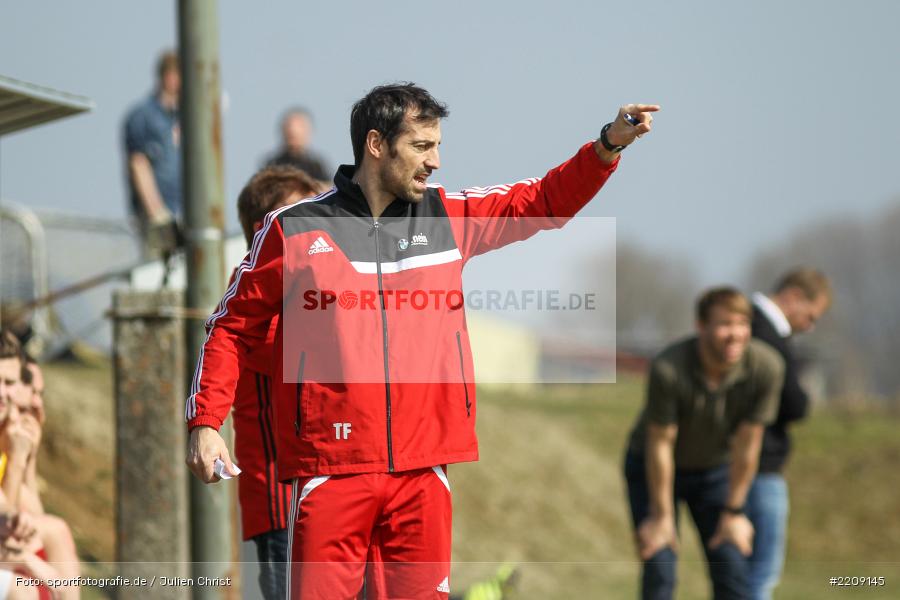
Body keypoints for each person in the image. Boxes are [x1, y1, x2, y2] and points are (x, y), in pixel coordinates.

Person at [186, 82, 658, 598]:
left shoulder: (449, 217)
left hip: (423, 471)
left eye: (437, 146)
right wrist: (206, 421)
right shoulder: (294, 229)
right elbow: (230, 325)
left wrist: (607, 145)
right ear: (376, 145)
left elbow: (543, 199)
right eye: (422, 146)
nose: (435, 161)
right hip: (333, 469)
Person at [623, 288, 785, 600]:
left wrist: (735, 512)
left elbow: (749, 445)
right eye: (725, 324)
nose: (735, 334)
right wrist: (661, 517)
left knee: (732, 563)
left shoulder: (766, 367)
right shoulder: (668, 368)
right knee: (660, 564)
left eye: (742, 323)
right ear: (701, 326)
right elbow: (660, 444)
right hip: (651, 469)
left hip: (715, 472)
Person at [233, 166, 329, 600]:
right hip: (279, 505)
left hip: (319, 497)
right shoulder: (253, 298)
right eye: (300, 211)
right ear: (264, 228)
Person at [746, 269, 831, 600]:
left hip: (745, 463)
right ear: (793, 297)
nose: (809, 326)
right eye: (811, 316)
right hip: (759, 465)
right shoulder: (765, 331)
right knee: (760, 576)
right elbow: (794, 403)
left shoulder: (747, 322)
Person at [123, 50, 182, 257]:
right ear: (168, 76)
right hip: (157, 214)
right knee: (156, 272)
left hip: (184, 212)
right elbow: (139, 164)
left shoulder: (185, 116)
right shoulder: (142, 117)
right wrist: (158, 214)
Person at [263, 107, 332, 182]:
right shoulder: (272, 165)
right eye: (290, 135)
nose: (293, 132)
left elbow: (326, 188)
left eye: (297, 134)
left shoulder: (317, 167)